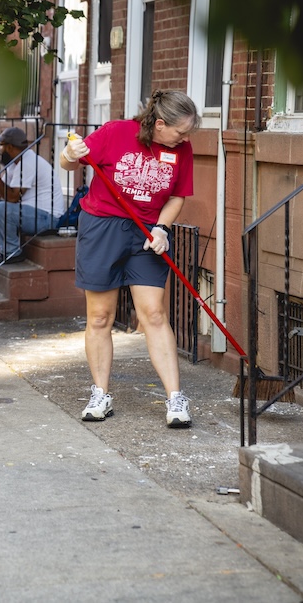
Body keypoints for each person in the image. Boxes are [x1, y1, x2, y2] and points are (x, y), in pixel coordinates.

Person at [61, 90, 199, 428]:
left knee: (153, 313)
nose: (184, 139)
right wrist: (68, 152)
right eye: (180, 132)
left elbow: (178, 196)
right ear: (160, 124)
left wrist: (163, 228)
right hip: (102, 227)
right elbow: (70, 162)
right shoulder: (115, 133)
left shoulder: (181, 150)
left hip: (148, 233)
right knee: (99, 317)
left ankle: (175, 398)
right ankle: (100, 394)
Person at [0, 127, 64, 264]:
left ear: (9, 147)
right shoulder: (15, 163)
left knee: (2, 209)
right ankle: (1, 248)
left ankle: (12, 252)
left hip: (48, 218)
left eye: (1, 146)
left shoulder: (28, 162)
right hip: (32, 213)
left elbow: (13, 197)